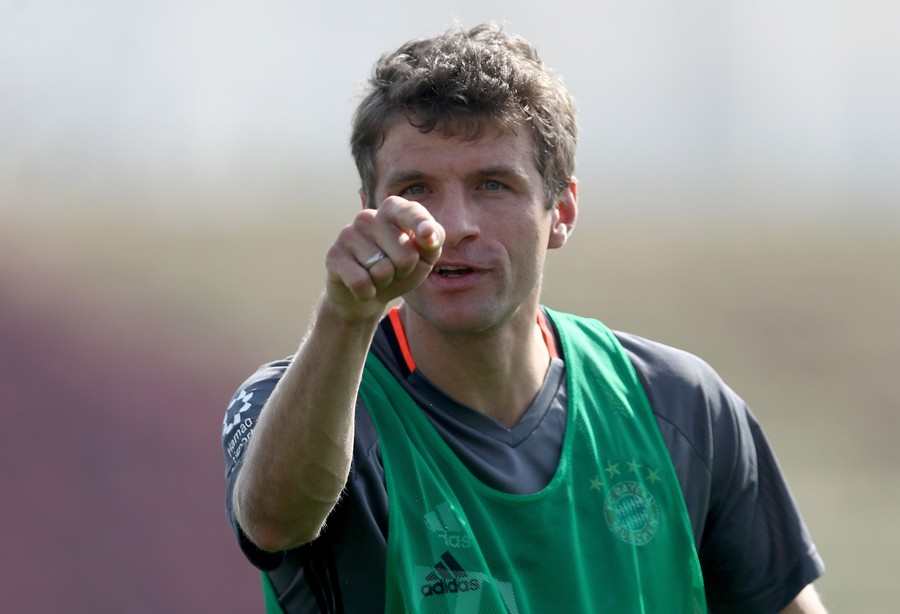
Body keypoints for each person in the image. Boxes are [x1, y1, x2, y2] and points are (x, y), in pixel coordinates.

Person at [222, 22, 826, 613]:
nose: (453, 224)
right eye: (417, 187)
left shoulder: (679, 405)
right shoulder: (303, 406)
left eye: (492, 184)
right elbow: (275, 523)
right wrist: (345, 316)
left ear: (560, 211)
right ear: (370, 210)